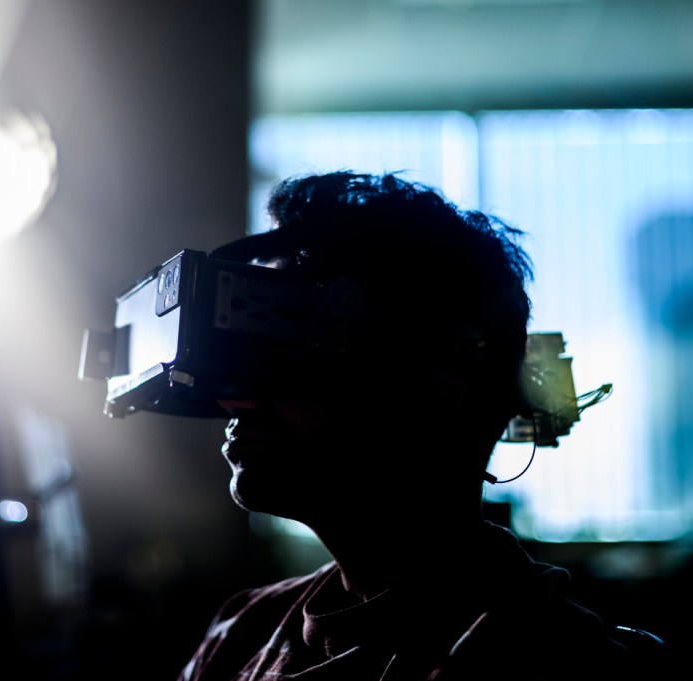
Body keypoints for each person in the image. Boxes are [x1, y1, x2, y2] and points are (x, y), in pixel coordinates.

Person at [176, 171, 635, 680]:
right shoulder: (244, 626)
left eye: (285, 354)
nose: (232, 398)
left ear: (434, 390)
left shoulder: (546, 661)